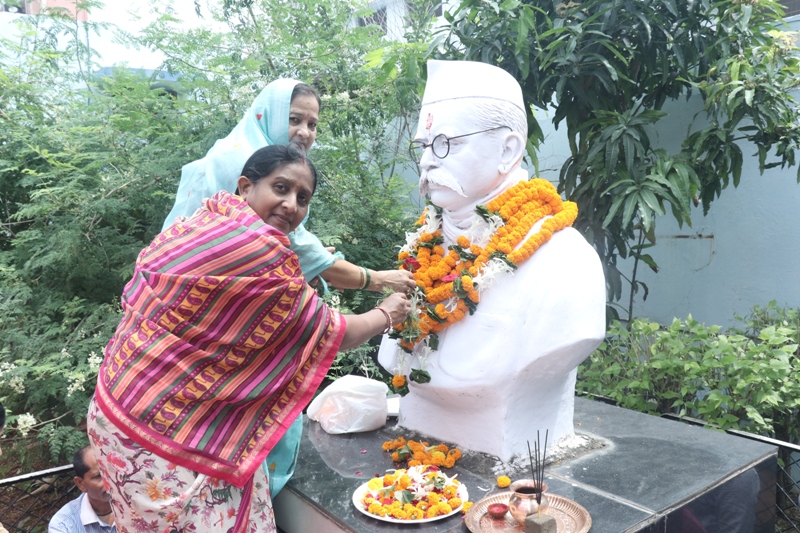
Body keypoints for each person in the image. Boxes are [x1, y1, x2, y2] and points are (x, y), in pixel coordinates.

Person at [88, 144, 411, 533]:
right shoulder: (262, 254)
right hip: (162, 432)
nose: (291, 204)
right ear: (245, 186)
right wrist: (386, 314)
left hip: (118, 405)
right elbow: (330, 332)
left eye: (303, 198)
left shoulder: (205, 221)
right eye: (281, 188)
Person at [377, 60, 607, 461]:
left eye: (445, 143)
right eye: (424, 146)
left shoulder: (567, 262)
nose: (427, 161)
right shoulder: (419, 255)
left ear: (508, 150)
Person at [162, 78, 415, 295]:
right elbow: (297, 247)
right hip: (189, 293)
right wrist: (379, 280)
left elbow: (289, 247)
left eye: (312, 124)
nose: (304, 132)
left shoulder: (261, 157)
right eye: (294, 120)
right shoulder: (245, 163)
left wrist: (307, 259)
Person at [48, 446, 116, 533]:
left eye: (114, 472)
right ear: (81, 483)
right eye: (99, 476)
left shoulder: (132, 506)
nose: (111, 481)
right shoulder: (63, 525)